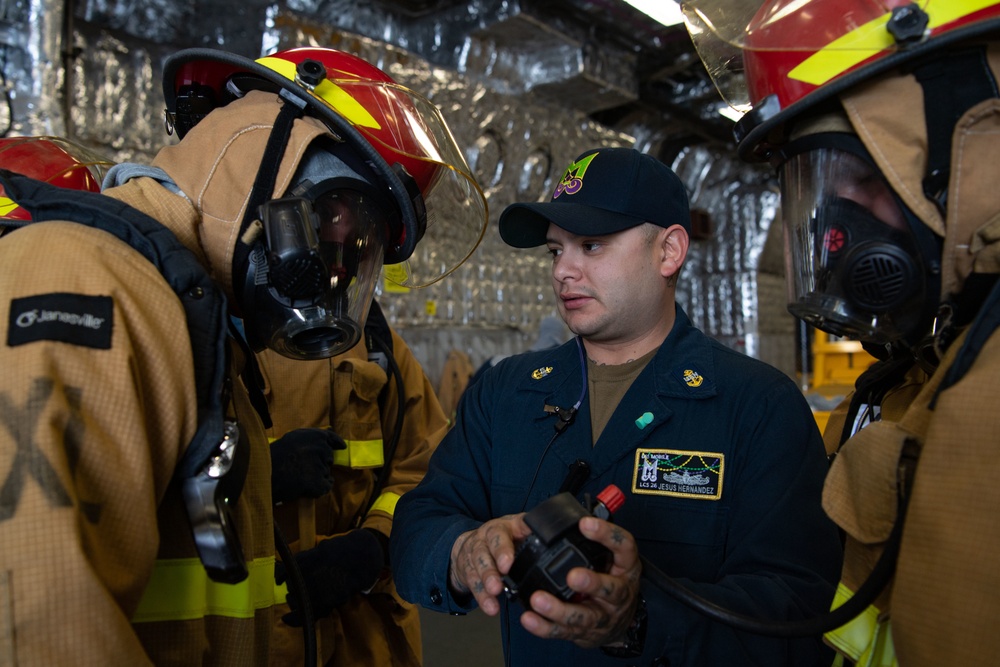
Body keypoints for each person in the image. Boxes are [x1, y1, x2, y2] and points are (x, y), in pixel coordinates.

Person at [0, 43, 484, 666]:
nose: (330, 270)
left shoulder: (190, 317)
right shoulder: (80, 279)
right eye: (335, 219)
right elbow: (34, 625)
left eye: (355, 249)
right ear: (265, 152)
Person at [390, 146, 843, 666]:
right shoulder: (505, 393)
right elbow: (417, 525)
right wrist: (461, 550)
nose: (564, 270)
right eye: (555, 251)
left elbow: (799, 611)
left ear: (669, 251)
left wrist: (640, 619)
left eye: (591, 244)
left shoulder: (758, 406)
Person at [681, 1, 1000, 664]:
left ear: (975, 139)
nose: (835, 233)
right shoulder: (932, 370)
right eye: (818, 193)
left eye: (859, 175)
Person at [258, 297, 451, 666]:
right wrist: (253, 475)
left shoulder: (376, 342)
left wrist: (377, 542)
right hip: (255, 635)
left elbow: (428, 463)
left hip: (367, 632)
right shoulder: (208, 336)